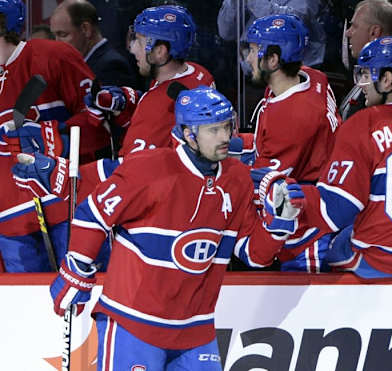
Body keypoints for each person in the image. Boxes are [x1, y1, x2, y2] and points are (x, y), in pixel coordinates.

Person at [43, 86, 304, 370]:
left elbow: (253, 254)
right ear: (188, 134)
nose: (225, 137)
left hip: (195, 331)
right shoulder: (148, 169)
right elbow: (93, 213)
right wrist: (78, 266)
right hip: (133, 324)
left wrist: (279, 226)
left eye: (227, 127)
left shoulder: (237, 180)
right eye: (213, 130)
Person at [265, 36, 392, 278]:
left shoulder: (363, 123)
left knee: (334, 242)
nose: (361, 84)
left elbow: (335, 210)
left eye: (366, 74)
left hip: (383, 262)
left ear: (387, 79)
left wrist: (291, 193)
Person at [0, 0, 110, 272]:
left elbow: (101, 122)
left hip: (67, 205)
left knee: (86, 296)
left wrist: (53, 137)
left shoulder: (53, 56)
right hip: (9, 220)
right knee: (25, 308)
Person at [227, 14, 341, 271]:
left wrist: (217, 165)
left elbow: (265, 182)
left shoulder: (292, 117)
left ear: (274, 59)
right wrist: (226, 144)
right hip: (314, 196)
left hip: (307, 230)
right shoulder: (312, 78)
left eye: (254, 50)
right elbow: (265, 144)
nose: (248, 58)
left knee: (307, 308)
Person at [87, 5, 215, 155]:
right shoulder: (198, 73)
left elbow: (130, 170)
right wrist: (128, 102)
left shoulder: (156, 107)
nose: (133, 49)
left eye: (139, 42)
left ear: (160, 52)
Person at [339, 0, 392, 120]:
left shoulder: (389, 87)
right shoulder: (370, 73)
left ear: (374, 32)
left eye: (354, 26)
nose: (348, 33)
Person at [50, 0, 138, 88]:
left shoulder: (111, 67)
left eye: (62, 34)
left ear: (86, 29)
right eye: (55, 36)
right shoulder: (79, 64)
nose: (57, 42)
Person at [217, 0, 327, 69]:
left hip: (291, 77)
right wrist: (233, 4)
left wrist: (252, 2)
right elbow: (226, 33)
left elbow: (294, 22)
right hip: (252, 76)